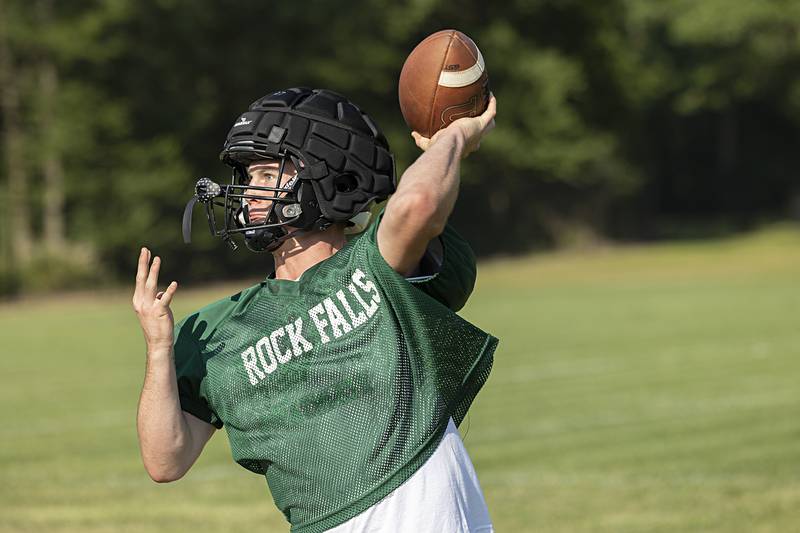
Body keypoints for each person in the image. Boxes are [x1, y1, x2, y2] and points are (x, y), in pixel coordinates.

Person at [133, 88, 498, 532]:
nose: (248, 191)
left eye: (267, 175)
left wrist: (454, 136)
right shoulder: (216, 329)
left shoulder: (373, 265)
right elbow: (165, 460)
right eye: (249, 176)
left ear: (326, 179)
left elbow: (418, 205)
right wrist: (157, 349)